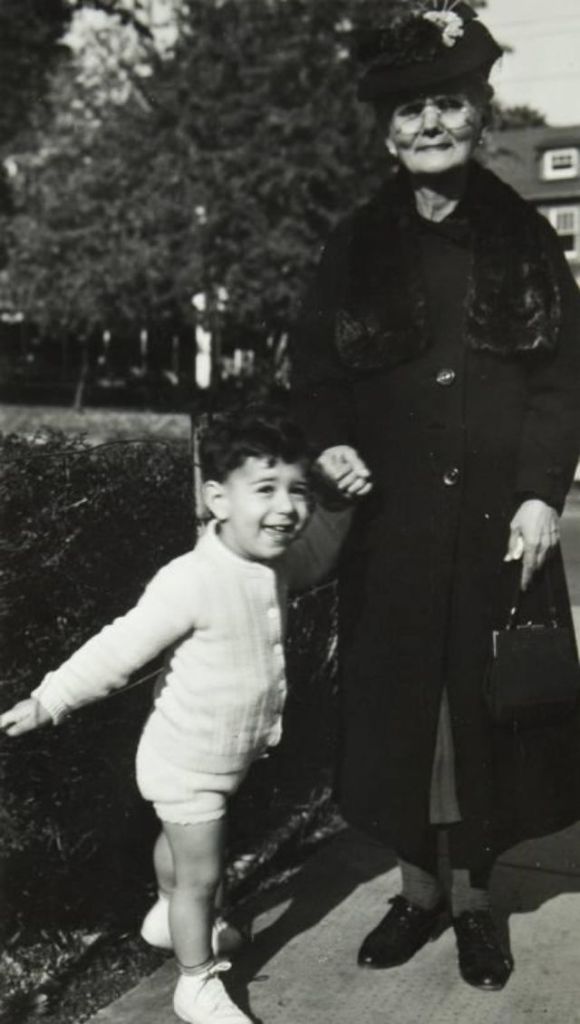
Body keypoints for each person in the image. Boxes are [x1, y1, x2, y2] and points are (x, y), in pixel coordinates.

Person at [292, 0, 580, 993]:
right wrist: (329, 443)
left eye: (448, 104)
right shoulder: (353, 244)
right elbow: (314, 373)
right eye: (409, 110)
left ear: (479, 112)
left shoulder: (526, 239)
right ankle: (417, 891)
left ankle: (475, 902)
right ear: (386, 131)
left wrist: (541, 495)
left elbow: (561, 382)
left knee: (488, 711)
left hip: (501, 525)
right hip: (393, 528)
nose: (429, 124)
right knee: (399, 712)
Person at [0, 408, 352, 1024]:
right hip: (188, 760)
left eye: (298, 489)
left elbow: (318, 559)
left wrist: (338, 505)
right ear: (217, 499)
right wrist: (50, 699)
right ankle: (196, 983)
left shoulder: (273, 561)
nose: (287, 507)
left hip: (224, 756)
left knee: (184, 853)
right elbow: (120, 646)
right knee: (202, 875)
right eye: (265, 489)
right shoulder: (192, 579)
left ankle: (168, 916)